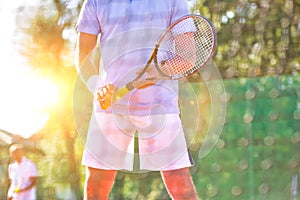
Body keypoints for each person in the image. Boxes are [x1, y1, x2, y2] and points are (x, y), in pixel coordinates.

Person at [75, 0, 198, 199]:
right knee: (96, 184)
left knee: (178, 181)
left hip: (160, 105)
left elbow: (187, 56)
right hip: (110, 106)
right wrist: (98, 86)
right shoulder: (95, 2)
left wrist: (156, 71)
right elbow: (83, 55)